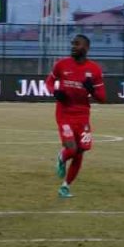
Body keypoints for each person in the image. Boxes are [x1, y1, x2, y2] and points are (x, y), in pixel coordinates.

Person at [45, 34, 106, 199]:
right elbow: (49, 82)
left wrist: (91, 90)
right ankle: (61, 157)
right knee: (71, 148)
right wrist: (55, 92)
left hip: (83, 116)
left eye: (77, 44)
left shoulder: (94, 69)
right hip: (64, 113)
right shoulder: (61, 65)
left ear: (86, 48)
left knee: (80, 153)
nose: (73, 46)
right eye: (72, 44)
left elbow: (102, 98)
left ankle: (65, 186)